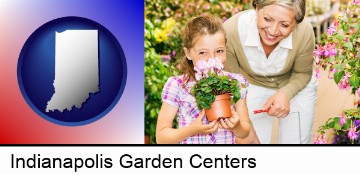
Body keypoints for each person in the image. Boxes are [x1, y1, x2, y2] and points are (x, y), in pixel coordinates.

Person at [224, 0, 317, 144]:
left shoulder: (304, 31)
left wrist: (285, 93)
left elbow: (302, 73)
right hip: (249, 85)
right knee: (252, 140)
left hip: (296, 83)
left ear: (295, 23)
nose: (273, 31)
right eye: (267, 19)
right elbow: (232, 81)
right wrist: (244, 122)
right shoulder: (231, 31)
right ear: (257, 9)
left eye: (284, 25)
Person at [156, 15, 256, 144]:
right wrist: (192, 130)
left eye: (219, 51)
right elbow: (161, 137)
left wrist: (236, 126)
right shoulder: (177, 85)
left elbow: (245, 130)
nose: (212, 59)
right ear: (188, 53)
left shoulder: (235, 82)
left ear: (226, 48)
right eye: (203, 52)